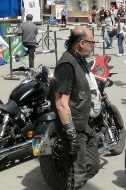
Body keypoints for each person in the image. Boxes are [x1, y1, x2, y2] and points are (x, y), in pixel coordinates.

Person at [51, 27, 100, 189]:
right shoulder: (66, 65)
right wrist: (71, 135)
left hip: (84, 124)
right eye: (92, 42)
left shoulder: (79, 60)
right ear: (81, 43)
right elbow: (60, 103)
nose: (93, 46)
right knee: (77, 174)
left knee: (92, 164)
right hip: (74, 127)